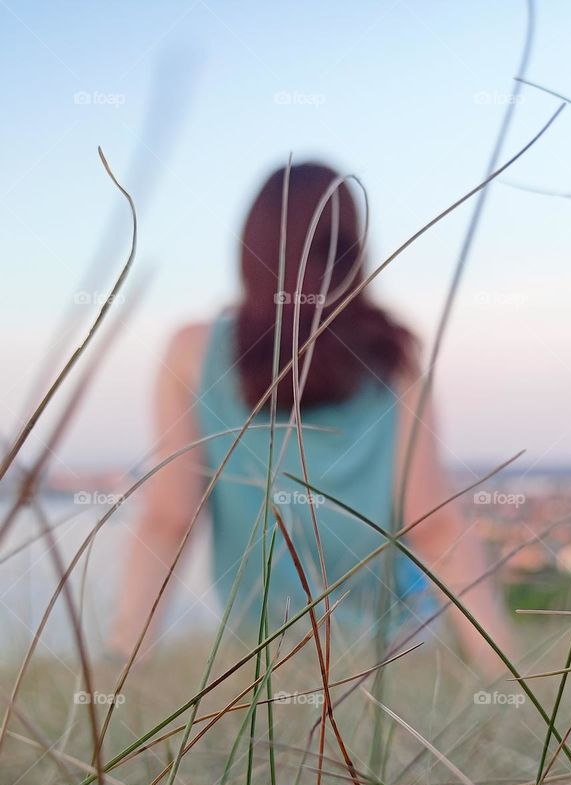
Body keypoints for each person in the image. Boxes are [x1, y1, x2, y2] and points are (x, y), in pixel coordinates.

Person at [112, 161, 512, 673]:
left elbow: (169, 519)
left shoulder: (192, 352)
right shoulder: (395, 353)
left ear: (250, 246)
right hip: (391, 655)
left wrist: (121, 662)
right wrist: (501, 671)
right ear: (352, 247)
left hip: (256, 659)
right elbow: (434, 522)